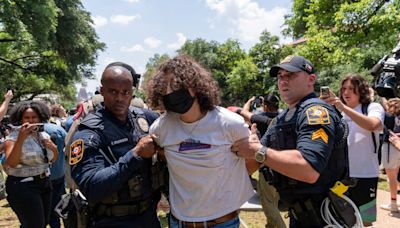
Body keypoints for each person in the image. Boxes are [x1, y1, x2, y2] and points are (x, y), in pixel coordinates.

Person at [233, 55, 348, 227]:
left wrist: (258, 150)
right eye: (280, 76)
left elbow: (308, 170)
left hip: (327, 216)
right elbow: (251, 165)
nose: (283, 81)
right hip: (299, 215)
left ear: (311, 79)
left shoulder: (315, 112)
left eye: (291, 75)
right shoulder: (281, 119)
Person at [146, 55, 254, 228]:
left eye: (175, 85)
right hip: (178, 223)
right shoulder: (160, 128)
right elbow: (162, 157)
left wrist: (225, 183)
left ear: (194, 86)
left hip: (221, 224)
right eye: (163, 87)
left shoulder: (229, 123)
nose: (169, 92)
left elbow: (253, 159)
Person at [70, 62, 164, 228]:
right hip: (111, 221)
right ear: (102, 90)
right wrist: (135, 155)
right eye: (113, 91)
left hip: (148, 217)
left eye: (125, 92)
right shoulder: (88, 132)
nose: (119, 98)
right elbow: (91, 187)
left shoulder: (145, 119)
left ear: (132, 93)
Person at [324, 74, 384, 226]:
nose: (346, 92)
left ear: (362, 90)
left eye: (351, 88)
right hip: (341, 175)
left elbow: (372, 125)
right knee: (340, 218)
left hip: (366, 175)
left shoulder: (372, 107)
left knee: (366, 220)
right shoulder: (338, 112)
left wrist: (343, 108)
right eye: (343, 88)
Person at [4, 100, 58, 228]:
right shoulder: (12, 138)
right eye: (27, 117)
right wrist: (21, 139)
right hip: (23, 186)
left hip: (44, 182)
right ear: (20, 119)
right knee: (35, 225)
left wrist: (54, 149)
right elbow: (12, 162)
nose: (31, 120)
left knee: (42, 223)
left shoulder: (43, 135)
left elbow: (52, 160)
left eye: (34, 117)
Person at [45, 122, 67, 228]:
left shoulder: (27, 131)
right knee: (57, 208)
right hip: (58, 174)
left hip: (40, 178)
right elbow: (68, 146)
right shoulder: (57, 129)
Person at [380, 98, 400, 213]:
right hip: (398, 146)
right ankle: (394, 201)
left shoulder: (387, 116)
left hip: (390, 146)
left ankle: (393, 203)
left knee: (391, 177)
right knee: (395, 176)